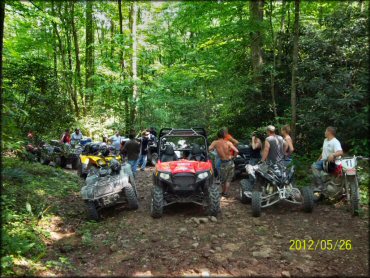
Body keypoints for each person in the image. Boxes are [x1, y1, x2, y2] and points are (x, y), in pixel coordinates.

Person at [209, 129, 239, 198]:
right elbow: (237, 151)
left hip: (223, 163)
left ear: (218, 135)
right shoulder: (228, 143)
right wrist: (233, 157)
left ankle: (223, 192)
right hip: (231, 162)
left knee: (223, 180)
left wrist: (214, 150)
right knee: (228, 179)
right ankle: (225, 193)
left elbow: (209, 149)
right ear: (224, 136)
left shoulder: (215, 142)